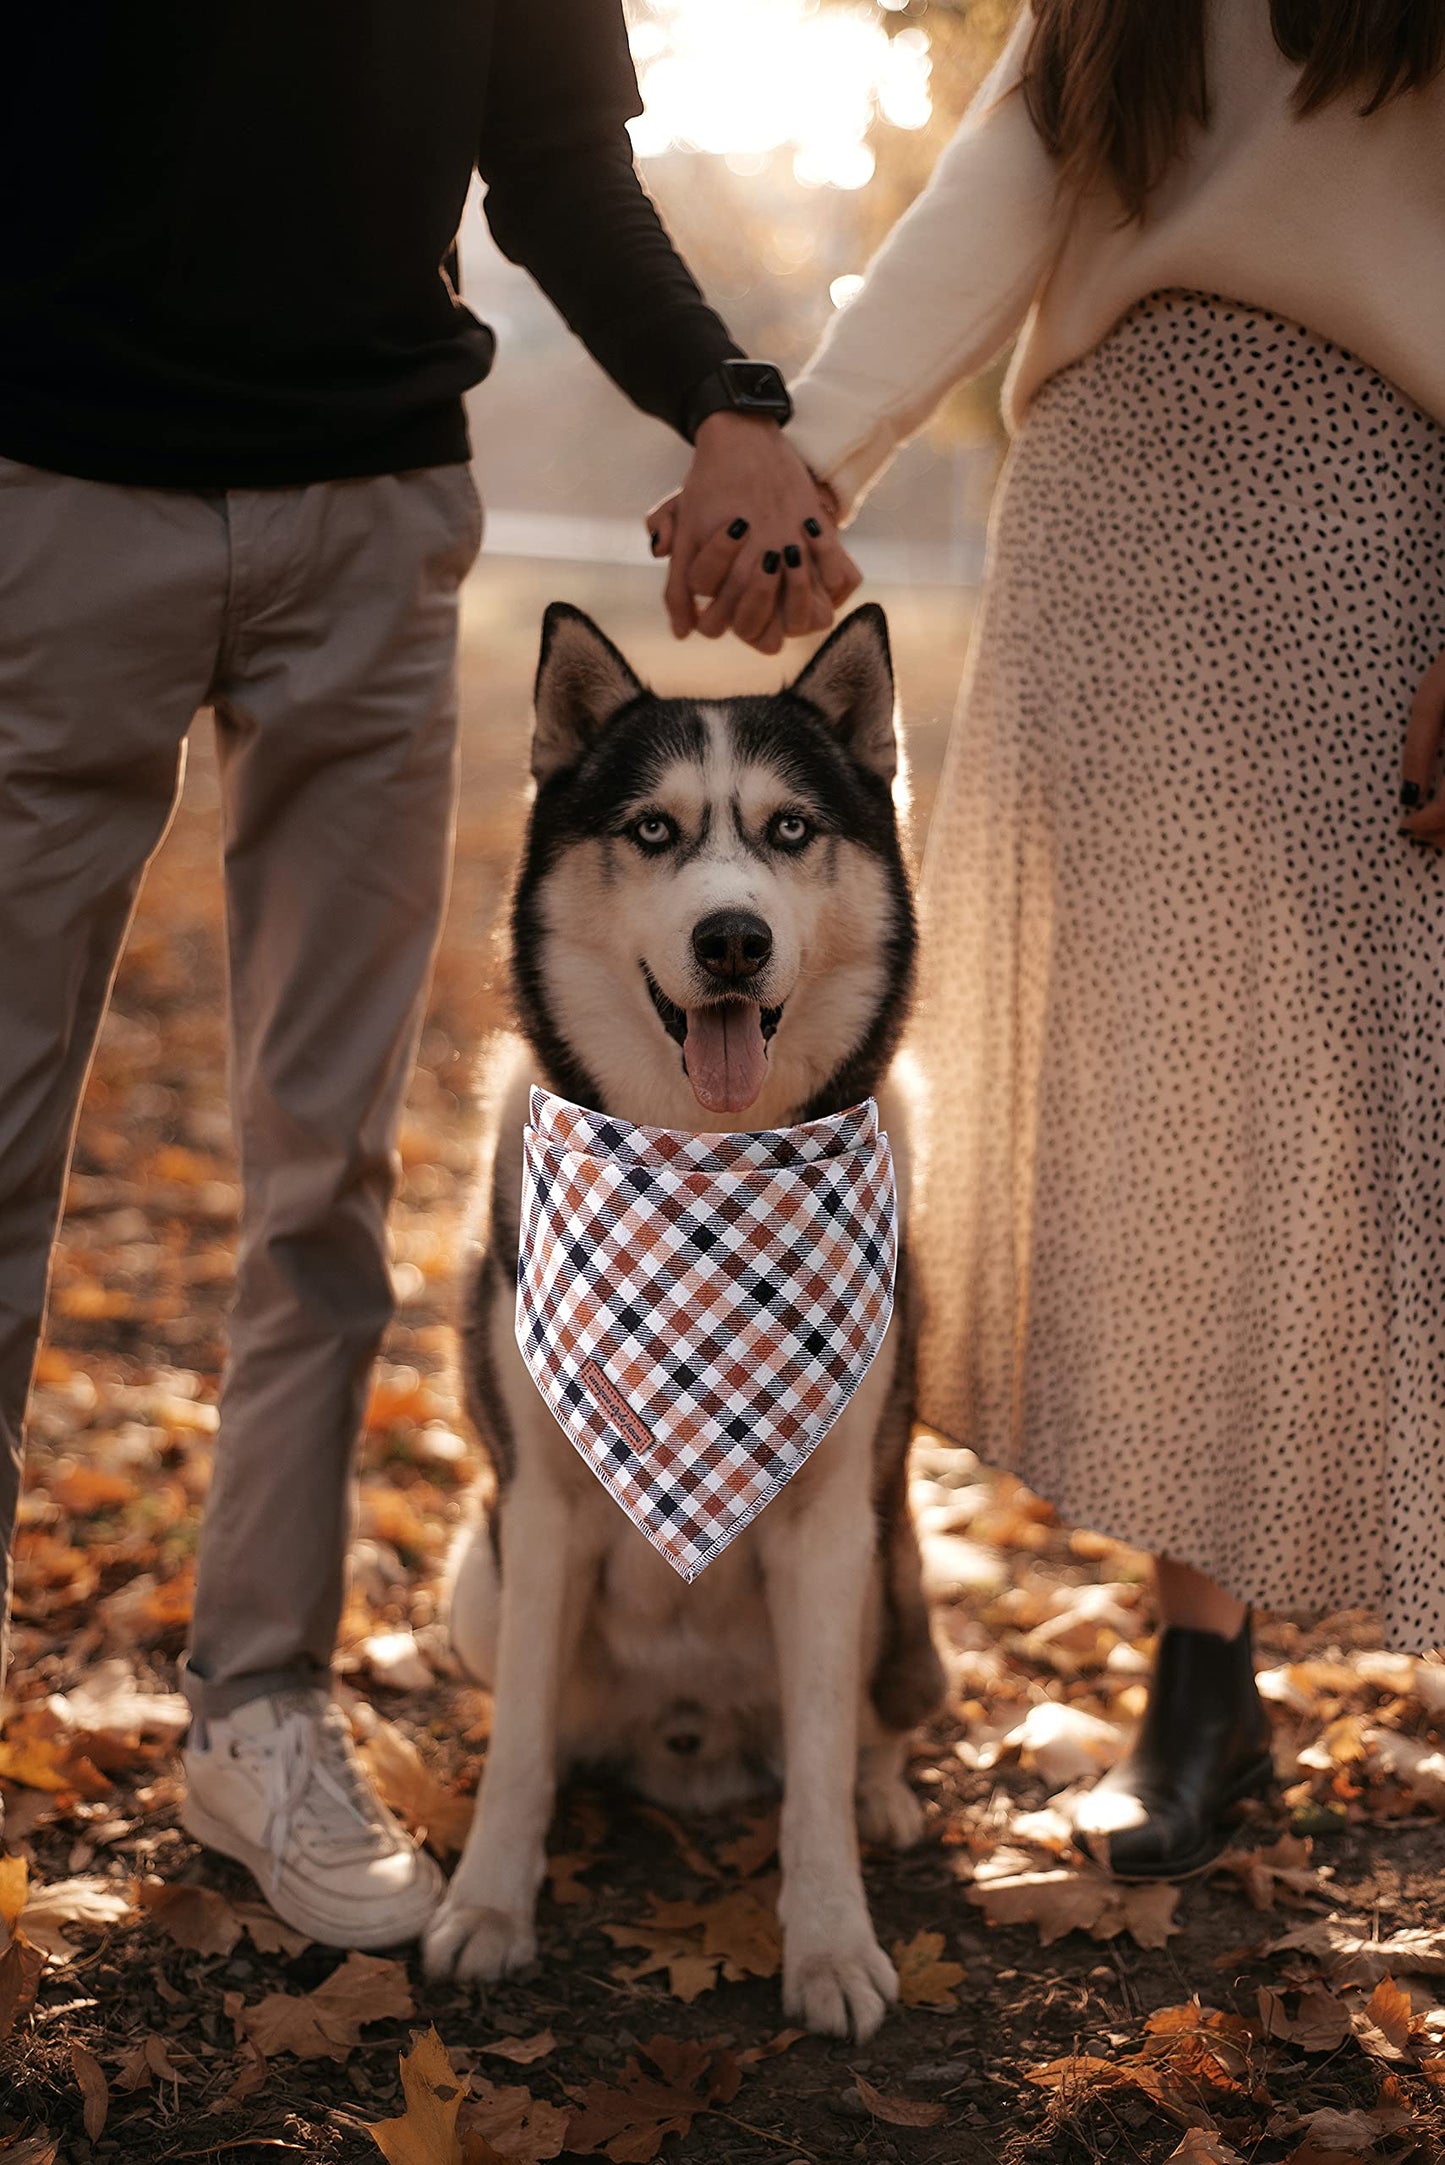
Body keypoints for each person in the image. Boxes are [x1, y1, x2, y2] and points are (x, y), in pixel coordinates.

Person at [0, 1, 860, 1950]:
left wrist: (726, 395)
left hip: (369, 531)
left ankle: (258, 1713)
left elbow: (554, 157)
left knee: (326, 1182)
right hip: (50, 495)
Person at [764, 0, 1444, 1878]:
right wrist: (806, 457)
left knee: (1383, 1102)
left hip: (1358, 506)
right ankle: (1200, 1691)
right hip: (1105, 519)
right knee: (1172, 1119)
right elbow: (1005, 172)